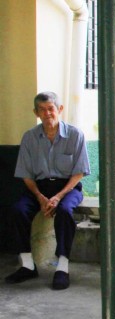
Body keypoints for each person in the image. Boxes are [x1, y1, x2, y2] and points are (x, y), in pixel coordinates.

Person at [4, 91, 90, 290]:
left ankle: (62, 267)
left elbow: (79, 173)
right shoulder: (30, 137)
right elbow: (26, 174)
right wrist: (40, 197)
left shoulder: (75, 135)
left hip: (68, 188)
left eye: (50, 108)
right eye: (42, 110)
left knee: (65, 211)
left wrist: (58, 196)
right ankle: (27, 265)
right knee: (18, 211)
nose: (47, 113)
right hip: (39, 188)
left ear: (59, 110)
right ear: (36, 112)